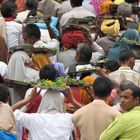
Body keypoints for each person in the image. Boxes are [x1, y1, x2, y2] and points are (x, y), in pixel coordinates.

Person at [11, 64, 81, 140]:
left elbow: (7, 111)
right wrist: (72, 100)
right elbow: (89, 113)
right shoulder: (68, 119)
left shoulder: (34, 119)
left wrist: (28, 99)